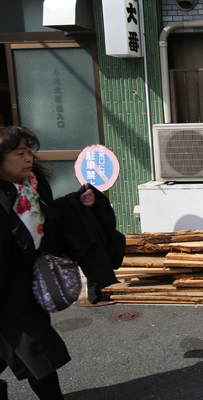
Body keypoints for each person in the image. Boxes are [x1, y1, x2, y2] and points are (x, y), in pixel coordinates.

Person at [0, 126, 95, 400]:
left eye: (29, 151)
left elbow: (54, 219)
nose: (28, 158)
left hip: (25, 287)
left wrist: (81, 200)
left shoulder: (34, 186)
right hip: (6, 294)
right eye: (19, 153)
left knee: (25, 350)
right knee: (35, 353)